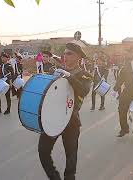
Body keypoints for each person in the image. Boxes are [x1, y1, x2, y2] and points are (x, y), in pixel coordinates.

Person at [38, 43, 92, 180]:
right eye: (65, 53)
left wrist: (69, 76)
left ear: (78, 57)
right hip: (53, 118)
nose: (65, 56)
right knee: (43, 151)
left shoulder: (85, 75)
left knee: (71, 157)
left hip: (71, 121)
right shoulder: (56, 71)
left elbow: (83, 91)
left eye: (69, 53)